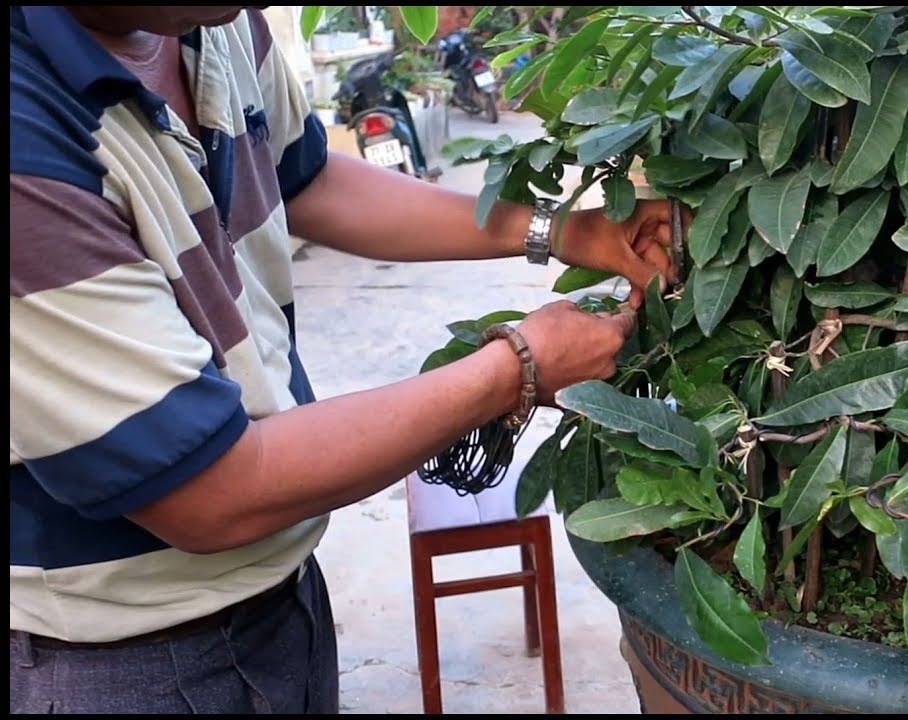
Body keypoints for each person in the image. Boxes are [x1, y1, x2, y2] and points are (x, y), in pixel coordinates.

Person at [9, 6, 681, 714]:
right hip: (114, 660)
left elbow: (309, 181)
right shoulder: (27, 147)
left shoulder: (210, 21)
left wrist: (565, 231)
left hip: (281, 589)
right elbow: (212, 495)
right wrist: (519, 364)